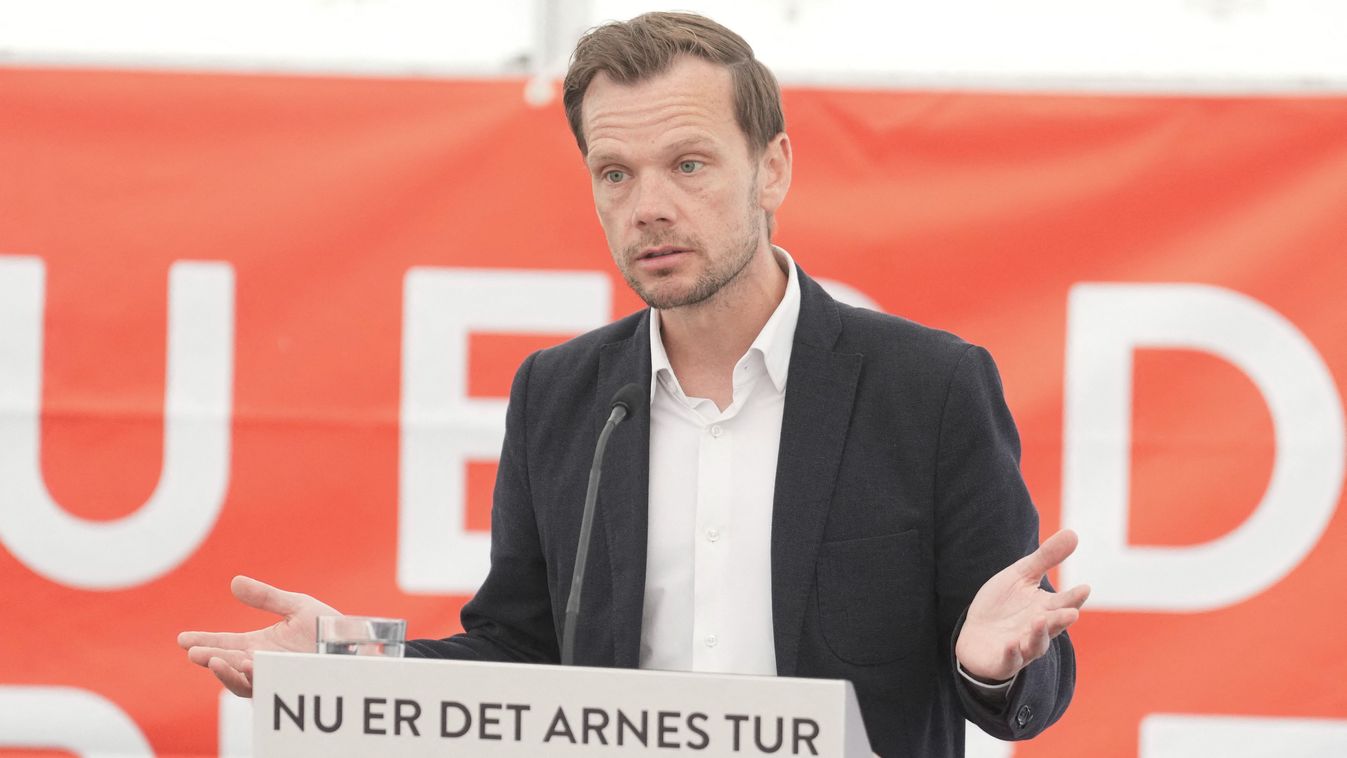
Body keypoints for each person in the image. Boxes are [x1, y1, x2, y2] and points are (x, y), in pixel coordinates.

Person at [178, 12, 1088, 756]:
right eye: (614, 174)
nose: (647, 204)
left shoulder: (925, 388)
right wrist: (350, 660)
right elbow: (522, 651)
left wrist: (988, 665)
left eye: (687, 165)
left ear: (772, 168)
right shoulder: (562, 395)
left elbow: (1025, 683)